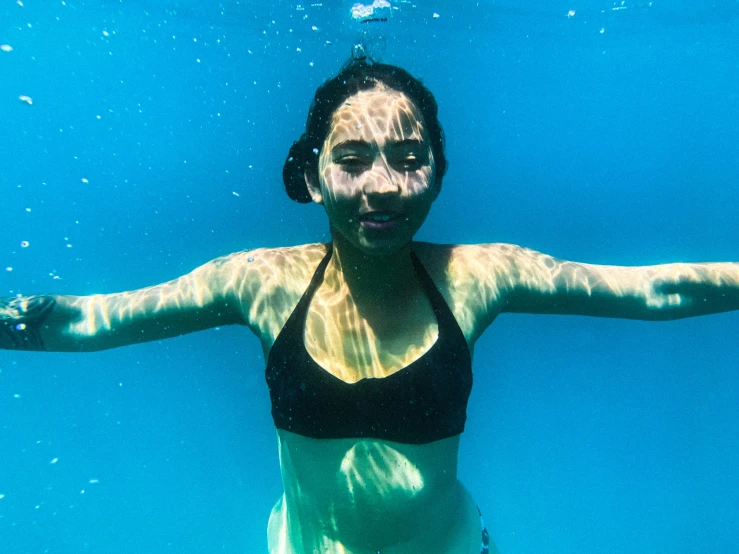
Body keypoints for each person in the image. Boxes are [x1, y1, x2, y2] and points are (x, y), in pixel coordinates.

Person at [2, 57, 738, 554]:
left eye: (408, 159)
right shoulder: (255, 281)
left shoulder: (482, 276)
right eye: (351, 161)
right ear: (313, 177)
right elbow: (88, 318)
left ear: (438, 174)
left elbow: (655, 286)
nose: (381, 185)